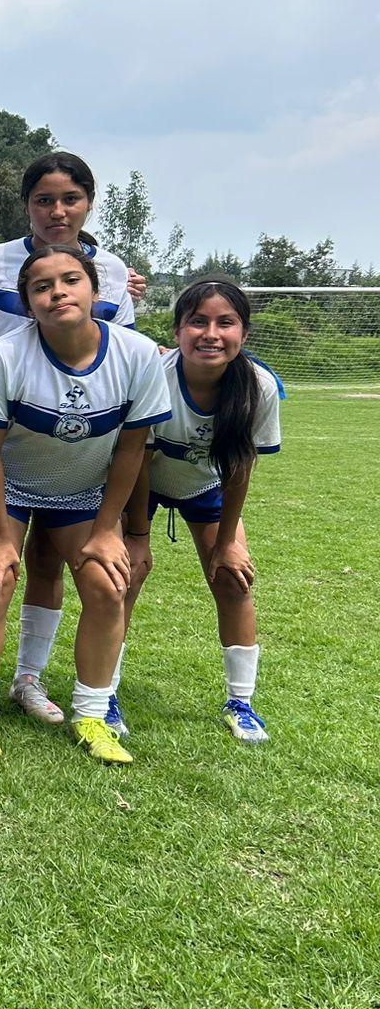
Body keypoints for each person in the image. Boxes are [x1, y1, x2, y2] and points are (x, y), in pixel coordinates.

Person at [0, 244, 169, 764]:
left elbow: (131, 451)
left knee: (106, 586)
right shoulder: (4, 355)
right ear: (28, 303)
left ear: (96, 291)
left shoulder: (137, 354)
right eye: (41, 287)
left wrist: (105, 531)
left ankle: (93, 716)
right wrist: (3, 538)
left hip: (81, 492)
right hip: (7, 486)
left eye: (70, 280)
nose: (57, 293)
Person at [0, 152, 144, 730]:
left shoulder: (119, 293)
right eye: (44, 199)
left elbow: (129, 431)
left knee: (84, 577)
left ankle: (54, 690)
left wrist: (112, 529)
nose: (57, 210)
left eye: (70, 198)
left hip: (79, 461)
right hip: (11, 442)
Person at [126, 278, 281, 742]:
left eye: (225, 323)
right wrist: (136, 536)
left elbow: (239, 467)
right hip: (143, 483)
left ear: (244, 334)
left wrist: (228, 542)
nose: (211, 333)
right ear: (177, 332)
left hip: (206, 488)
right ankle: (104, 692)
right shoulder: (154, 374)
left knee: (233, 581)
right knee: (121, 577)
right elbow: (135, 460)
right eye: (197, 322)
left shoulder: (258, 386)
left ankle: (242, 701)